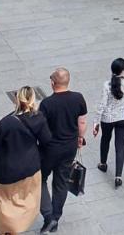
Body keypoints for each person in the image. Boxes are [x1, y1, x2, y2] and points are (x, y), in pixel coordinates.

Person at [0, 85, 51, 235]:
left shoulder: (6, 123)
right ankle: (16, 227)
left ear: (16, 100)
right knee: (23, 201)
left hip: (5, 172)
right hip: (30, 169)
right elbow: (47, 140)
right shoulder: (40, 118)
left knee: (1, 201)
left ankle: (7, 229)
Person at [39, 68, 87, 233]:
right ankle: (55, 217)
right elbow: (81, 123)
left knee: (39, 179)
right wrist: (80, 138)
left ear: (53, 83)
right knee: (61, 182)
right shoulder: (78, 98)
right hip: (69, 148)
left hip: (50, 149)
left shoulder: (47, 103)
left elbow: (41, 129)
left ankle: (48, 215)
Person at [92, 58, 124, 188]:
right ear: (123, 70)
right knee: (120, 145)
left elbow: (102, 104)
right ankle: (118, 176)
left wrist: (96, 122)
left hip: (108, 118)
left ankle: (103, 163)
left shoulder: (107, 85)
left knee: (105, 139)